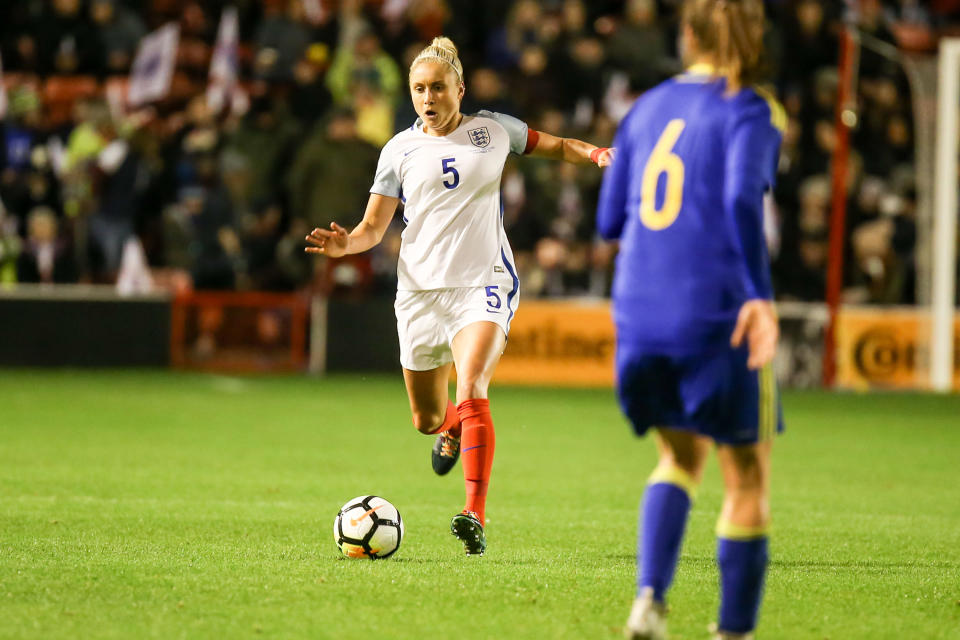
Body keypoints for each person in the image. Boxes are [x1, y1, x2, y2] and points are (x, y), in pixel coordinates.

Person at [305, 36, 612, 556]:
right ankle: (451, 430)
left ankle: (475, 514)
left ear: (459, 89)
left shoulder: (492, 131)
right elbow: (373, 228)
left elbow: (556, 144)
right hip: (421, 291)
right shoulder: (398, 150)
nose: (429, 97)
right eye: (419, 89)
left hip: (483, 281)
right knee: (427, 419)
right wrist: (345, 246)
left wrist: (599, 153)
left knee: (471, 386)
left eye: (438, 88)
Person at [595, 1, 783, 638]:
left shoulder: (643, 108)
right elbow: (738, 196)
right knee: (747, 475)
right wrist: (758, 294)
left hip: (641, 310)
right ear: (751, 34)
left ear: (686, 35)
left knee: (678, 458)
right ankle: (732, 632)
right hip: (716, 310)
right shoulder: (749, 107)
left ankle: (649, 600)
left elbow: (607, 221)